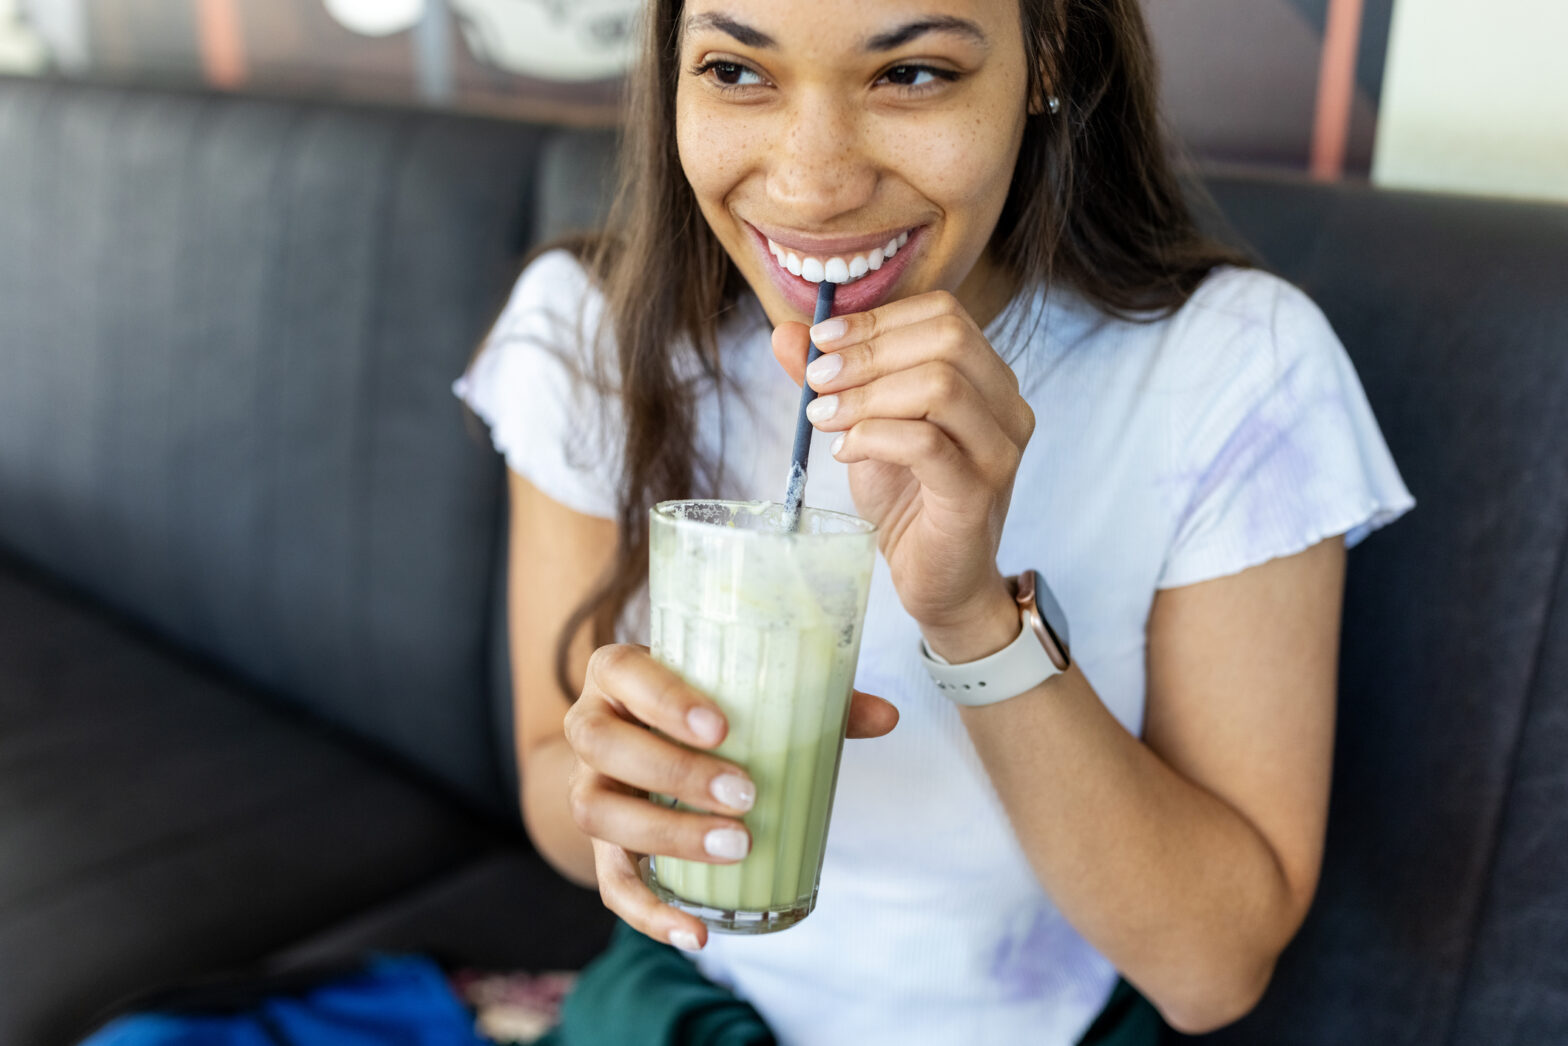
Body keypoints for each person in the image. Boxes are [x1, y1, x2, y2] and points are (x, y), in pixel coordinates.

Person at [453, 0, 1414, 1042]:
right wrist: (619, 783)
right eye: (736, 71)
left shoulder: (1232, 369)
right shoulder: (588, 333)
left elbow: (1210, 970)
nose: (811, 184)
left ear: (1044, 57)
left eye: (910, 74)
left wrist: (969, 616)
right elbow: (557, 782)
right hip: (686, 1007)